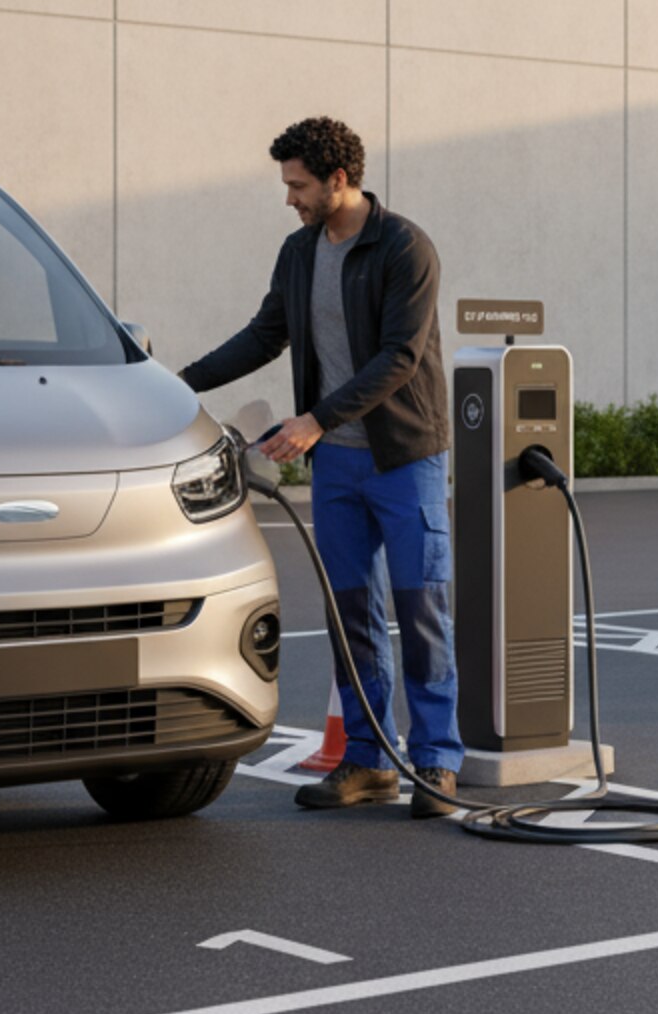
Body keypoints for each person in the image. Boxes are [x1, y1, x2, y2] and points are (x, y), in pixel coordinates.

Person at [179, 117, 461, 817]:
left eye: (298, 185)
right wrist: (177, 384)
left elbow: (399, 357)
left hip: (404, 460)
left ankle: (436, 762)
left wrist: (314, 420)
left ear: (338, 179)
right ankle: (366, 762)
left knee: (420, 611)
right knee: (350, 614)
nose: (290, 199)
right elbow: (264, 335)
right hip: (336, 466)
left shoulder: (404, 247)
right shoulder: (300, 252)